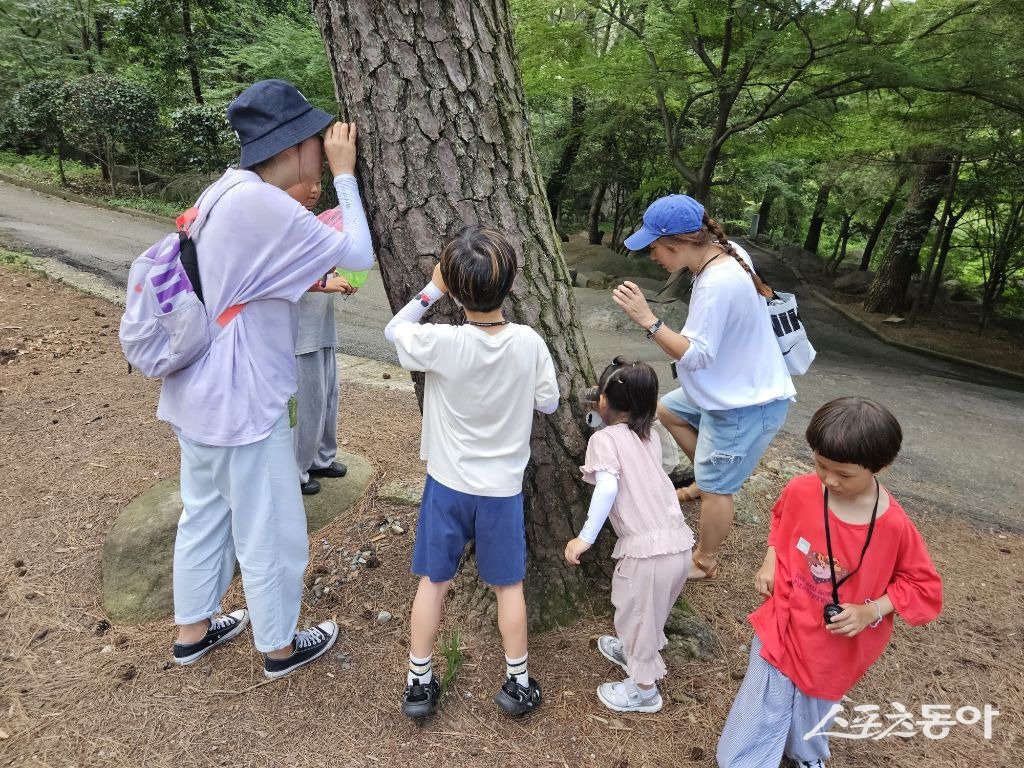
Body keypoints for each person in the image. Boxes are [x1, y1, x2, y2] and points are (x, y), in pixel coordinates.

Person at [163, 80, 374, 679]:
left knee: (203, 512)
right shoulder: (263, 202)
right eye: (316, 141)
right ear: (294, 146)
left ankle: (193, 632)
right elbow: (358, 254)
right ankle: (280, 647)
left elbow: (244, 280)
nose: (321, 148)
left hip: (196, 390)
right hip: (241, 398)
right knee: (271, 524)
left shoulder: (222, 191)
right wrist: (346, 176)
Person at [383, 226, 560, 719]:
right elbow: (548, 401)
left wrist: (432, 289)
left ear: (458, 292)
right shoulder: (529, 343)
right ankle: (518, 682)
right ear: (510, 284)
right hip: (502, 490)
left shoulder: (442, 342)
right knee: (509, 586)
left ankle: (419, 682)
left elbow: (394, 331)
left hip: (447, 485)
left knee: (433, 582)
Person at [717, 397, 943, 767]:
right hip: (786, 616)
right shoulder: (801, 490)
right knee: (766, 697)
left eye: (845, 474)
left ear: (880, 467)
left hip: (835, 639)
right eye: (821, 465)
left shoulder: (893, 526)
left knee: (816, 699)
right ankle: (746, 760)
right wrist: (771, 560)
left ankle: (806, 753)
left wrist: (871, 609)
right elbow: (781, 523)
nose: (830, 480)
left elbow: (922, 586)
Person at [614, 194, 796, 580]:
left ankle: (705, 560)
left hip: (745, 402)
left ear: (678, 245)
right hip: (724, 388)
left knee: (719, 492)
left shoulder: (717, 282)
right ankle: (708, 476)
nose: (652, 256)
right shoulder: (728, 252)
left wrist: (647, 319)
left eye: (655, 248)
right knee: (667, 410)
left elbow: (696, 356)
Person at [564, 357, 694, 714]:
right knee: (649, 613)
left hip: (647, 554)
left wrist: (585, 538)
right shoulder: (647, 436)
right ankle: (635, 651)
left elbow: (606, 489)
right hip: (677, 544)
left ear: (603, 401)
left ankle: (644, 690)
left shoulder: (604, 440)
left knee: (635, 612)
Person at [284, 179, 361, 496]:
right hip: (300, 333)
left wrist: (345, 275)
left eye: (318, 183)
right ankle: (297, 471)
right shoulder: (281, 223)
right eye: (305, 182)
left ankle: (320, 458)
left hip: (322, 325)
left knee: (328, 395)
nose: (314, 190)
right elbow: (282, 271)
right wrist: (326, 281)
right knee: (307, 404)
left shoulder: (317, 223)